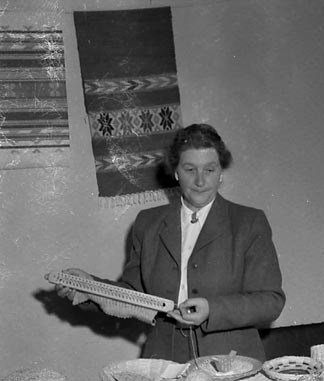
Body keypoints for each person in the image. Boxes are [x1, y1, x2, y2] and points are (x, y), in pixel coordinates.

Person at [56, 123, 285, 363]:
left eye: (209, 169)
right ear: (176, 172)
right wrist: (89, 287)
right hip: (165, 359)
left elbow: (270, 301)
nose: (200, 180)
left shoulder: (248, 222)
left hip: (232, 362)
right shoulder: (148, 223)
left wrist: (212, 309)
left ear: (221, 173)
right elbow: (135, 294)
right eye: (189, 169)